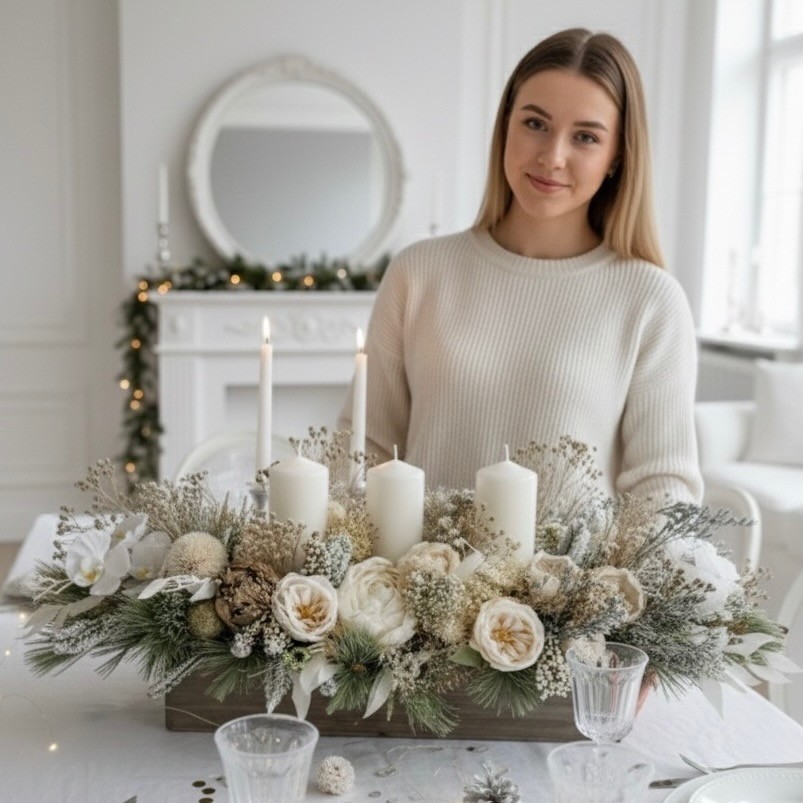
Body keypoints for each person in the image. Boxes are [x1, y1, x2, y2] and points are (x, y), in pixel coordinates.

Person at [340, 27, 703, 503]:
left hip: (573, 578)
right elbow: (365, 449)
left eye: (586, 137)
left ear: (617, 156)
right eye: (535, 124)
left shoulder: (651, 300)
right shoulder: (418, 273)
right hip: (416, 571)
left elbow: (663, 486)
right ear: (505, 126)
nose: (552, 157)